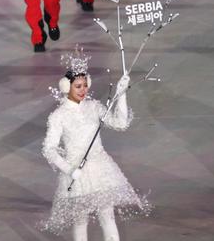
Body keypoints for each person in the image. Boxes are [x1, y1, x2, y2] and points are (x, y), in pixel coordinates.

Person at [41, 49, 149, 240]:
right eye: (78, 86)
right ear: (67, 87)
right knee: (80, 222)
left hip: (101, 169)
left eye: (85, 85)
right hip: (77, 172)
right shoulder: (59, 116)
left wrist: (121, 94)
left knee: (107, 217)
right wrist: (69, 169)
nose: (83, 90)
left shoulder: (94, 107)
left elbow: (120, 123)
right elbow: (49, 149)